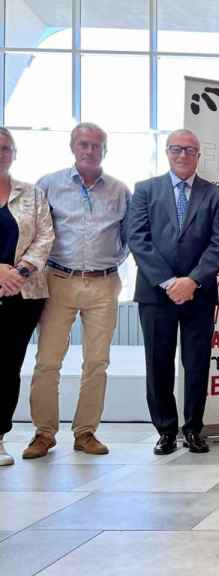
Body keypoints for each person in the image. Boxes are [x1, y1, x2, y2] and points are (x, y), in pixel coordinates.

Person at [23, 123, 129, 460]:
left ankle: (85, 433)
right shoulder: (48, 185)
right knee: (48, 361)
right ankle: (43, 433)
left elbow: (129, 236)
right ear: (73, 147)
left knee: (97, 362)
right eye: (84, 144)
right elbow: (36, 231)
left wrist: (110, 261)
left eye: (97, 145)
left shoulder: (119, 190)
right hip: (59, 280)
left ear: (105, 150)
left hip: (103, 283)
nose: (89, 151)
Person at [127, 128, 219, 455]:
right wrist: (170, 282)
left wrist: (193, 281)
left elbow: (218, 245)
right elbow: (137, 239)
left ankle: (194, 428)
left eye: (189, 150)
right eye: (176, 149)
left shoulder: (215, 196)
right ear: (167, 153)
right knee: (158, 363)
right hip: (156, 294)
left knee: (197, 363)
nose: (183, 155)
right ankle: (166, 431)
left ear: (199, 155)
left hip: (198, 295)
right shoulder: (145, 190)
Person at [0, 128, 55, 467]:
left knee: (6, 368)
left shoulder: (32, 194)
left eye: (7, 148)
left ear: (15, 153)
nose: (2, 153)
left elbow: (45, 238)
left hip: (22, 294)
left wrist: (17, 274)